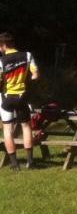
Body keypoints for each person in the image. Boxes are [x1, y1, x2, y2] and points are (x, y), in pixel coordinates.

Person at [0, 32, 39, 170]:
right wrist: (27, 82)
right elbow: (35, 75)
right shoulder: (27, 55)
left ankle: (15, 164)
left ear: (4, 45)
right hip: (23, 97)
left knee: (7, 129)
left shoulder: (1, 61)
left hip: (7, 98)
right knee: (26, 127)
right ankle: (30, 162)